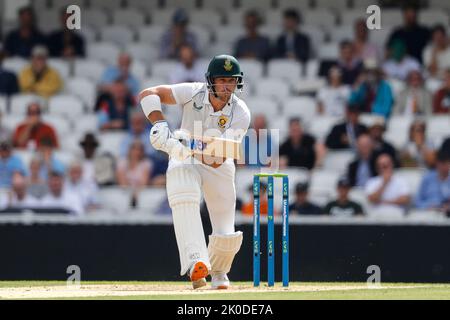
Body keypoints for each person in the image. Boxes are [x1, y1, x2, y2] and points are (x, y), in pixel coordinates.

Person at [138, 55, 251, 290]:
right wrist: (160, 125)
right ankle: (196, 262)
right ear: (210, 81)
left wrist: (184, 142)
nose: (227, 86)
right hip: (184, 157)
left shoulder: (241, 113)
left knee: (224, 225)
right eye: (222, 80)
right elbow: (148, 94)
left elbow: (219, 158)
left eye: (232, 81)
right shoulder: (193, 92)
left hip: (217, 165)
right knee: (182, 191)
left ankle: (219, 271)